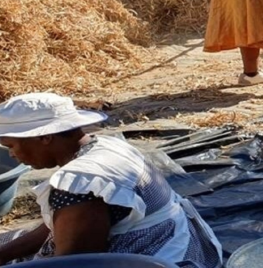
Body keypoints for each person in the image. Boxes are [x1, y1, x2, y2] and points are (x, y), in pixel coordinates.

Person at [0, 93, 222, 266]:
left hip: (160, 258)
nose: (11, 154)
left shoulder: (80, 185)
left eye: (11, 145)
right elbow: (61, 226)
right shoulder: (106, 145)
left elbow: (74, 262)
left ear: (45, 137)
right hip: (184, 243)